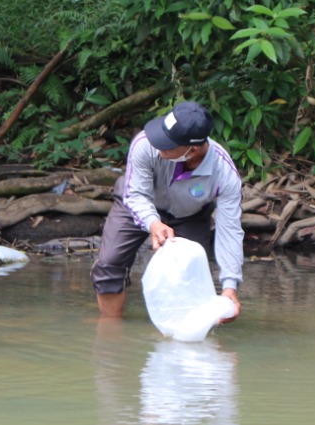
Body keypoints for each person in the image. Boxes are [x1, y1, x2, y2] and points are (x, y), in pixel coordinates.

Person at [92, 100, 243, 321]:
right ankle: (110, 327)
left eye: (167, 144)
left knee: (190, 274)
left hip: (189, 215)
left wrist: (230, 286)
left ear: (193, 149)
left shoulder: (225, 175)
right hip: (138, 202)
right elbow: (136, 195)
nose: (158, 146)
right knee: (110, 262)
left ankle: (182, 337)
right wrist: (153, 223)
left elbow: (229, 230)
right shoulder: (145, 143)